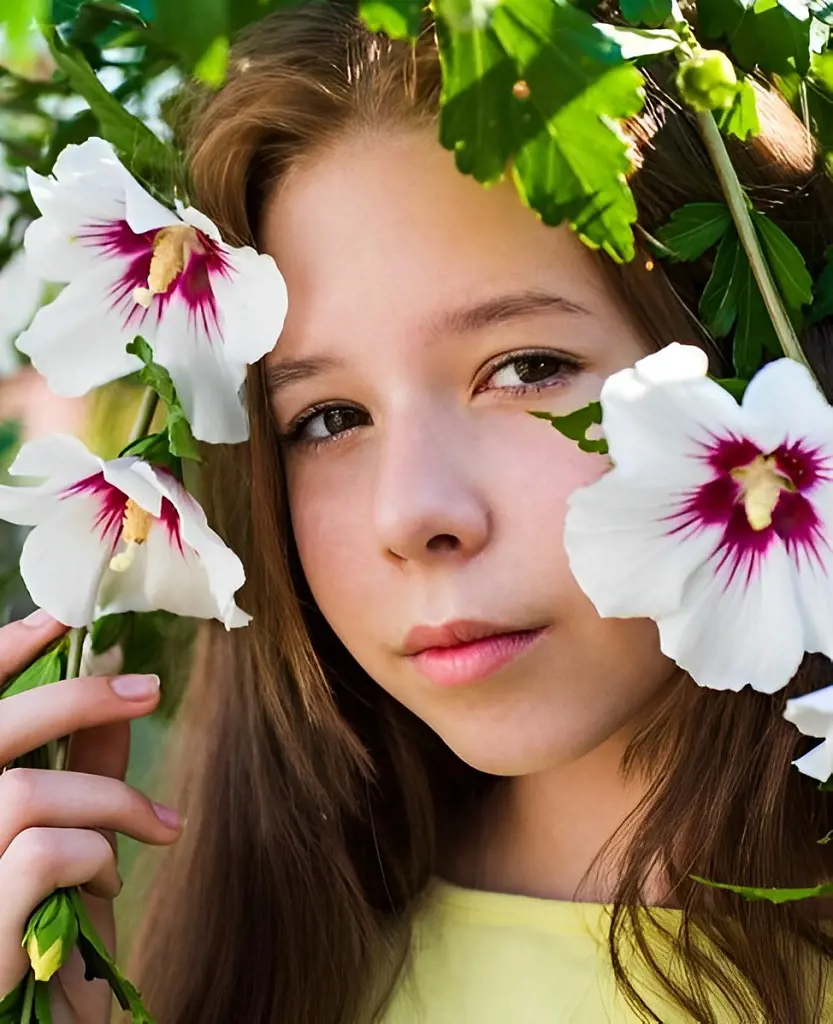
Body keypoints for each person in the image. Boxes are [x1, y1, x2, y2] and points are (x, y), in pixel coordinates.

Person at [1, 3, 832, 1022]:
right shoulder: (258, 974)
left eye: (525, 369)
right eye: (326, 417)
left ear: (757, 366)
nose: (413, 514)